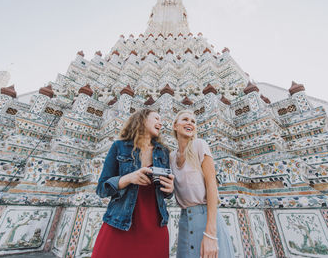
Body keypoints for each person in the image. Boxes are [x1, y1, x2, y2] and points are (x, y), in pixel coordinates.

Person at [92, 109, 175, 258]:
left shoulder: (164, 152)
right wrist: (129, 178)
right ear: (142, 119)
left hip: (155, 225)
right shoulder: (119, 146)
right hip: (120, 222)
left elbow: (166, 192)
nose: (160, 123)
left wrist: (170, 189)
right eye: (156, 118)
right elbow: (101, 189)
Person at [171, 110, 235, 258]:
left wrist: (210, 234)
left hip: (207, 219)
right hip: (185, 221)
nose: (190, 123)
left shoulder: (200, 145)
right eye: (185, 119)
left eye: (193, 121)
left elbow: (212, 186)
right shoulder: (171, 157)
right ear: (175, 125)